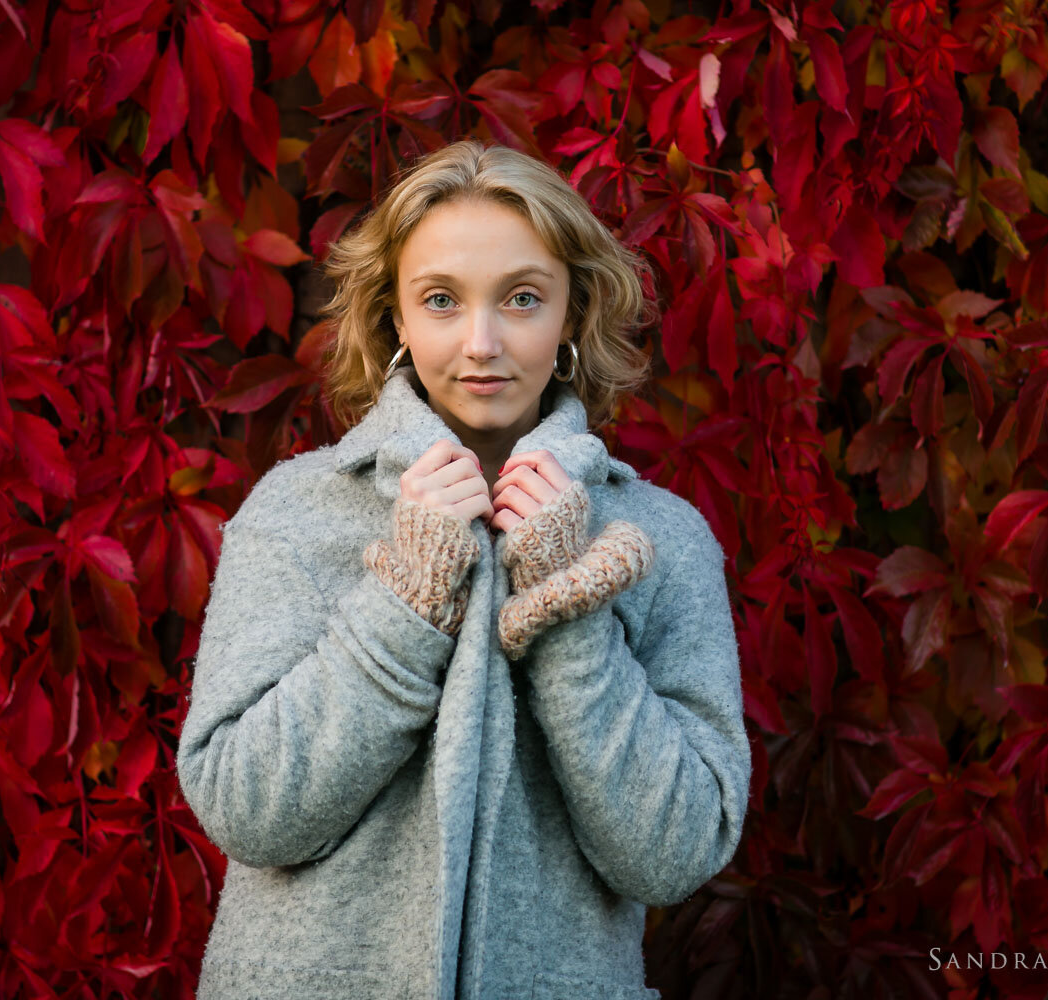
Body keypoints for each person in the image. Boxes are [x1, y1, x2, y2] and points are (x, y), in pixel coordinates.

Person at [176, 138, 750, 1000]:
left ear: (573, 311)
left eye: (522, 299)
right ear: (397, 317)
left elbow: (677, 853)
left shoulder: (659, 540)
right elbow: (245, 808)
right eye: (441, 300)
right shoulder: (295, 512)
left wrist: (569, 611)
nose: (481, 342)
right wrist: (403, 608)